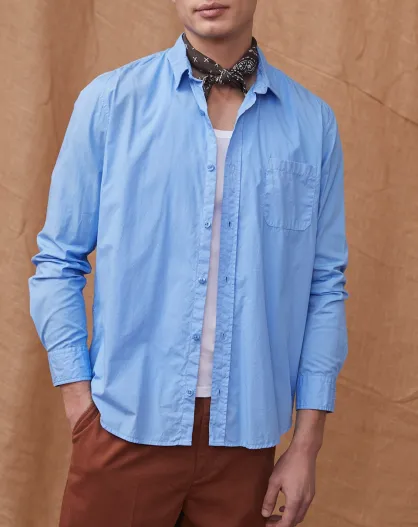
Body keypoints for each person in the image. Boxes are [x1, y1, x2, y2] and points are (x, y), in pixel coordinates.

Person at [29, 0, 349, 526]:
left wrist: (306, 443)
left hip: (245, 440)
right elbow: (58, 261)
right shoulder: (110, 103)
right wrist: (79, 403)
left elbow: (325, 285)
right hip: (125, 424)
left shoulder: (313, 125)